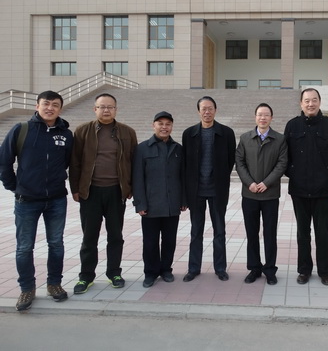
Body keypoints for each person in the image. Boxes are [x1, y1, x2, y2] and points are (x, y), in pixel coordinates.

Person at [0, 91, 73, 311]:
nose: (50, 108)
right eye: (46, 104)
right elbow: (4, 161)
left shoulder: (66, 134)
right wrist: (14, 186)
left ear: (60, 108)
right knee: (24, 247)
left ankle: (54, 284)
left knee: (56, 244)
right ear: (37, 106)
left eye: (55, 105)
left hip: (56, 200)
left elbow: (67, 162)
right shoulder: (21, 129)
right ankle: (27, 289)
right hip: (27, 200)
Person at [69, 93, 137, 294]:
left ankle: (114, 273)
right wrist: (75, 189)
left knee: (115, 235)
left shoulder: (127, 132)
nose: (106, 110)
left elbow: (133, 161)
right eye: (102, 107)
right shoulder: (83, 131)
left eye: (110, 107)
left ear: (116, 109)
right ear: (95, 109)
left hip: (116, 191)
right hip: (90, 192)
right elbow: (75, 162)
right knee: (89, 237)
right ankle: (86, 276)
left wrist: (130, 188)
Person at [284, 88, 328, 286]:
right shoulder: (292, 125)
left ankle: (324, 272)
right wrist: (292, 172)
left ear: (319, 102)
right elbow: (284, 154)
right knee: (303, 233)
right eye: (307, 100)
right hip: (299, 189)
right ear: (301, 103)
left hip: (323, 190)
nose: (311, 104)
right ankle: (304, 270)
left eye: (314, 100)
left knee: (323, 233)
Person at [182, 96, 236, 282]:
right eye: (203, 109)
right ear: (198, 111)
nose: (207, 112)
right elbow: (186, 164)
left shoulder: (226, 133)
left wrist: (219, 177)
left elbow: (230, 160)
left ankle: (220, 268)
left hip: (217, 190)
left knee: (219, 231)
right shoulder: (189, 134)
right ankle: (193, 268)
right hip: (196, 191)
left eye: (210, 108)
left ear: (215, 110)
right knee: (196, 231)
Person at [132, 111, 187, 288]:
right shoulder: (142, 148)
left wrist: (183, 200)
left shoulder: (178, 149)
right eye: (160, 123)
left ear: (172, 127)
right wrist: (140, 203)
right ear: (153, 125)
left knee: (169, 241)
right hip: (151, 205)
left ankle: (166, 270)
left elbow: (183, 176)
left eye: (168, 124)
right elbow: (137, 178)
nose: (164, 127)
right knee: (150, 242)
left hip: (172, 205)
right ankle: (150, 272)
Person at [235, 103, 288, 286]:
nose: (263, 118)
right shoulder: (245, 138)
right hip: (249, 195)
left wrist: (266, 183)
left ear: (271, 118)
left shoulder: (280, 139)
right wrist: (250, 183)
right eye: (259, 114)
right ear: (255, 117)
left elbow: (282, 164)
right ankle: (254, 268)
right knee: (252, 233)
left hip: (270, 195)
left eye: (266, 115)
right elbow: (239, 162)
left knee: (270, 234)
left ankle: (270, 270)